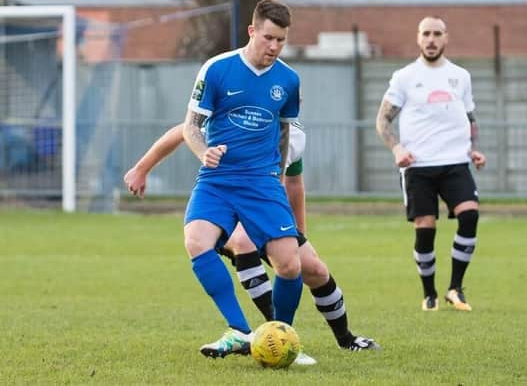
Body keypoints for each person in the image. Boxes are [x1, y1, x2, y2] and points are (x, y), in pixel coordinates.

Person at [124, 122, 381, 361]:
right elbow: (184, 129)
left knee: (315, 269)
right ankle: (264, 334)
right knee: (241, 240)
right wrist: (142, 168)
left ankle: (346, 339)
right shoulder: (239, 109)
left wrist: (299, 234)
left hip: (268, 207)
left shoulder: (294, 132)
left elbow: (294, 184)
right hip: (227, 205)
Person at [172, 0, 303, 357]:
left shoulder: (288, 80)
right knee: (196, 241)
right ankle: (240, 329)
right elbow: (190, 126)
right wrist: (204, 152)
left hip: (261, 182)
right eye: (268, 38)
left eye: (281, 40)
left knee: (289, 264)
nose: (274, 46)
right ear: (252, 31)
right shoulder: (217, 69)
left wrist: (277, 173)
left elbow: (283, 130)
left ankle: (284, 335)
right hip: (218, 179)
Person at [376, 16, 486, 312]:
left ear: (446, 38)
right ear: (418, 38)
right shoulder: (405, 77)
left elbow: (470, 117)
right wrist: (397, 147)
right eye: (426, 33)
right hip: (418, 166)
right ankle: (429, 294)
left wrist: (474, 149)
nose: (431, 39)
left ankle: (455, 288)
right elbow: (383, 119)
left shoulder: (460, 76)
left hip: (455, 162)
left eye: (437, 33)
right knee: (426, 228)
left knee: (470, 215)